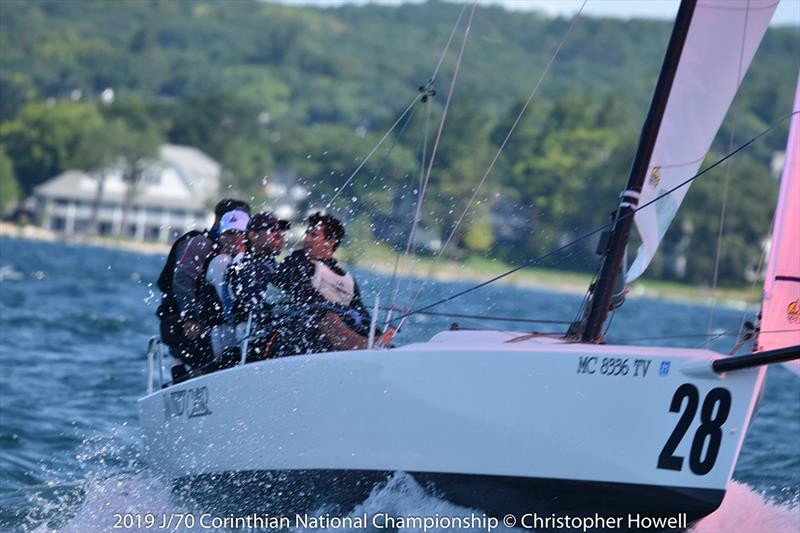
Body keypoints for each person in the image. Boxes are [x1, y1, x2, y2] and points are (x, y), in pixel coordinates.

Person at [272, 212, 395, 356]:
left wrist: (376, 332)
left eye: (314, 235)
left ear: (330, 241)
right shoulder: (295, 262)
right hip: (303, 330)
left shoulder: (347, 279)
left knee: (364, 324)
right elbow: (305, 295)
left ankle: (380, 347)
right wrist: (339, 309)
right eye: (307, 234)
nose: (307, 240)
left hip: (338, 332)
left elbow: (360, 311)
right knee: (327, 315)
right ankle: (363, 345)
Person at [156, 198, 250, 374]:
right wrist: (190, 317)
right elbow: (182, 280)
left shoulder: (240, 252)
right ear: (217, 220)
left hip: (216, 324)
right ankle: (185, 368)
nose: (236, 234)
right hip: (181, 321)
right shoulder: (199, 244)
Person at [229, 211, 291, 361]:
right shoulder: (244, 267)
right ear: (252, 236)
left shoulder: (276, 267)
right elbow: (260, 308)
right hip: (256, 342)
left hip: (277, 334)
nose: (279, 235)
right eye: (272, 230)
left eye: (281, 230)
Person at [199, 209, 249, 367]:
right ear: (221, 236)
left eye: (240, 233)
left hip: (241, 330)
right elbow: (231, 305)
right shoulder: (220, 262)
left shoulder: (248, 262)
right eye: (230, 233)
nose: (236, 238)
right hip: (222, 332)